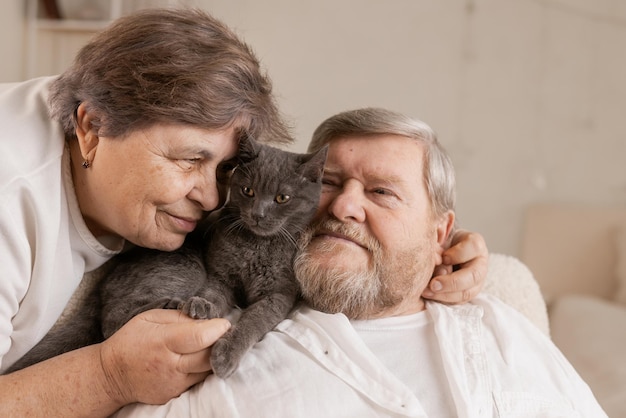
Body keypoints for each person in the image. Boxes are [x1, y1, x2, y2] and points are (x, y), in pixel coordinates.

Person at [0, 9, 488, 418]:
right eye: (190, 160)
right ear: (91, 129)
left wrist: (437, 251)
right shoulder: (9, 200)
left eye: (225, 167)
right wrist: (109, 374)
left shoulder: (115, 133)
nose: (213, 199)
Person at [114, 108, 606, 418]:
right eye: (329, 183)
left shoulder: (507, 332)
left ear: (441, 233)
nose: (345, 206)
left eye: (382, 191)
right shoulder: (224, 342)